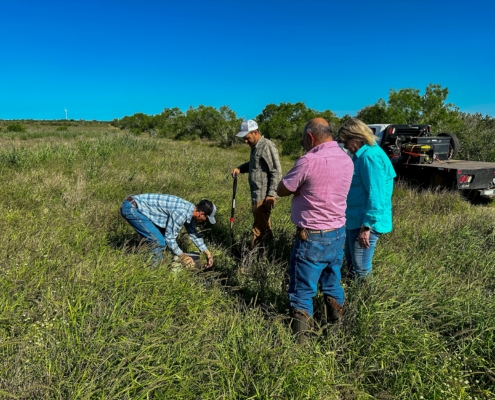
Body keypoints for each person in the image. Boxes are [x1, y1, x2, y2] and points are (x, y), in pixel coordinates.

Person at [277, 118, 354, 343]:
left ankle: (301, 348)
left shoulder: (308, 161)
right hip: (338, 232)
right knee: (332, 283)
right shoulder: (347, 159)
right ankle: (336, 334)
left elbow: (283, 189)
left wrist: (299, 189)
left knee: (302, 291)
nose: (303, 143)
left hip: (311, 236)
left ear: (310, 137)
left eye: (303, 139)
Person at [337, 118, 396, 279]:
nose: (346, 146)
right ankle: (351, 299)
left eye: (346, 141)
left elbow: (377, 194)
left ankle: (365, 301)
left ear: (356, 136)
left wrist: (367, 226)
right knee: (351, 265)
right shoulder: (360, 155)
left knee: (361, 269)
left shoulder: (370, 157)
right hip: (354, 219)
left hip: (364, 222)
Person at [120, 194, 216, 268]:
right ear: (201, 214)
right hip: (132, 208)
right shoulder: (181, 213)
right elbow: (169, 239)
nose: (205, 221)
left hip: (137, 205)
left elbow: (193, 233)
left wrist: (207, 253)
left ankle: (153, 261)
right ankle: (152, 272)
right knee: (158, 241)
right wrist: (183, 257)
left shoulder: (190, 210)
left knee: (161, 237)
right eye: (206, 218)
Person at [231, 119, 282, 249]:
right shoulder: (255, 147)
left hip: (264, 196)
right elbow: (253, 165)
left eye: (247, 138)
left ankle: (253, 258)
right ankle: (270, 250)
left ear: (254, 132)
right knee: (264, 225)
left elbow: (276, 172)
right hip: (257, 194)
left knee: (258, 229)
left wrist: (271, 195)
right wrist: (240, 169)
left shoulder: (267, 146)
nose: (245, 141)